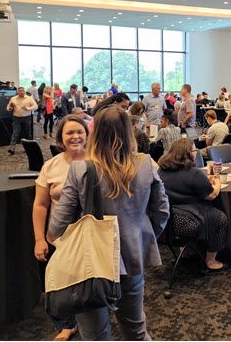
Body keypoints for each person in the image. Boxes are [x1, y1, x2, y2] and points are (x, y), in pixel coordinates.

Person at [47, 106, 170, 340]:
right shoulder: (146, 164)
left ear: (95, 132)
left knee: (96, 335)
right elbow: (162, 212)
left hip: (90, 264)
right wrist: (140, 235)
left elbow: (57, 225)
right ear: (128, 131)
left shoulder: (80, 169)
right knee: (135, 329)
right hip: (133, 257)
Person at [32, 115, 88, 341]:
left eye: (79, 132)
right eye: (69, 133)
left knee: (89, 282)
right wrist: (39, 239)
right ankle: (67, 324)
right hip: (60, 237)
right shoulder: (51, 166)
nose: (75, 137)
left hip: (89, 236)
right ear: (61, 138)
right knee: (59, 285)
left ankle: (91, 319)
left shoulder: (97, 160)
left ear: (87, 135)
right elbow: (40, 205)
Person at [158, 138, 227, 270]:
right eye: (194, 150)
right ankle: (211, 260)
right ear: (189, 153)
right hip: (190, 220)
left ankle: (187, 250)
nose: (196, 153)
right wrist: (217, 182)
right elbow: (211, 195)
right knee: (220, 218)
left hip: (167, 221)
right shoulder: (193, 173)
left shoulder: (161, 171)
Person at [7, 87, 38, 155]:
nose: (22, 92)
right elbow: (8, 107)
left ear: (25, 92)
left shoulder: (29, 98)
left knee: (27, 133)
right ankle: (12, 148)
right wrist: (10, 108)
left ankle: (28, 148)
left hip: (26, 118)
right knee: (15, 132)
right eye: (20, 91)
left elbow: (36, 106)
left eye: (23, 91)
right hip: (16, 118)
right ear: (17, 92)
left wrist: (28, 108)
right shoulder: (13, 98)